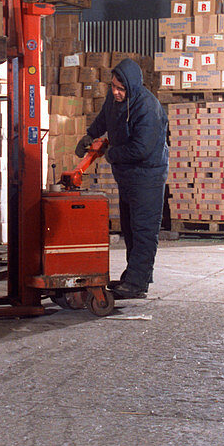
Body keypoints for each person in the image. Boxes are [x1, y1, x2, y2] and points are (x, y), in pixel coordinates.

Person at [76, 57, 168, 300]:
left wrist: (111, 153)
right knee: (129, 226)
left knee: (143, 229)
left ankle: (138, 282)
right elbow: (105, 118)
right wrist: (90, 136)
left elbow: (141, 149)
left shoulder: (148, 108)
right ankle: (133, 278)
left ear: (132, 87)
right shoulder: (114, 98)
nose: (116, 92)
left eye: (121, 88)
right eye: (113, 86)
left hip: (148, 175)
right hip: (127, 175)